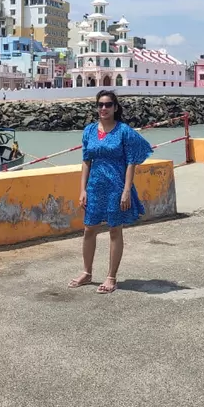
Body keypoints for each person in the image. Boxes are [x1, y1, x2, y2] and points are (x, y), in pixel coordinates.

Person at [69, 89, 153, 294]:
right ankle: (87, 272)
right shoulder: (89, 131)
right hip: (95, 186)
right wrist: (82, 189)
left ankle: (111, 277)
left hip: (116, 186)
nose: (104, 108)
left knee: (115, 230)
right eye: (100, 105)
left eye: (108, 105)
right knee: (89, 229)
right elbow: (86, 162)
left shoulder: (124, 131)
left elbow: (133, 160)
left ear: (115, 108)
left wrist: (126, 190)